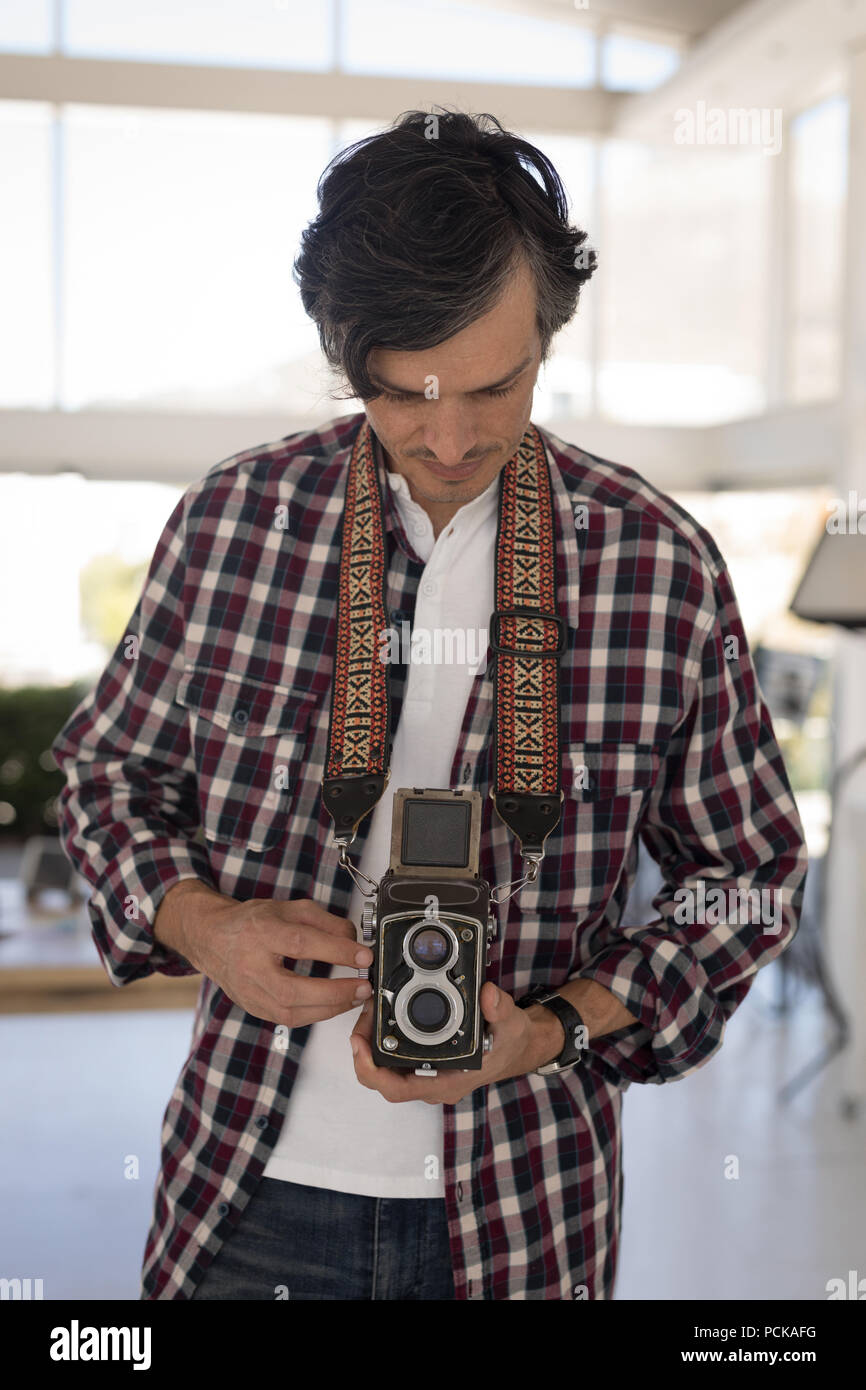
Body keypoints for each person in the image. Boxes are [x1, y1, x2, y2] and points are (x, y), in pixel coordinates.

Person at [52, 109, 808, 1301]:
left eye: (493, 387)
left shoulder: (658, 565)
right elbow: (106, 777)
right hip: (242, 1194)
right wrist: (204, 926)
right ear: (344, 356)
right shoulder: (231, 524)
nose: (448, 439)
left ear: (549, 339)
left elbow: (745, 877)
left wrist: (551, 1026)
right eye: (401, 394)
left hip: (524, 1208)